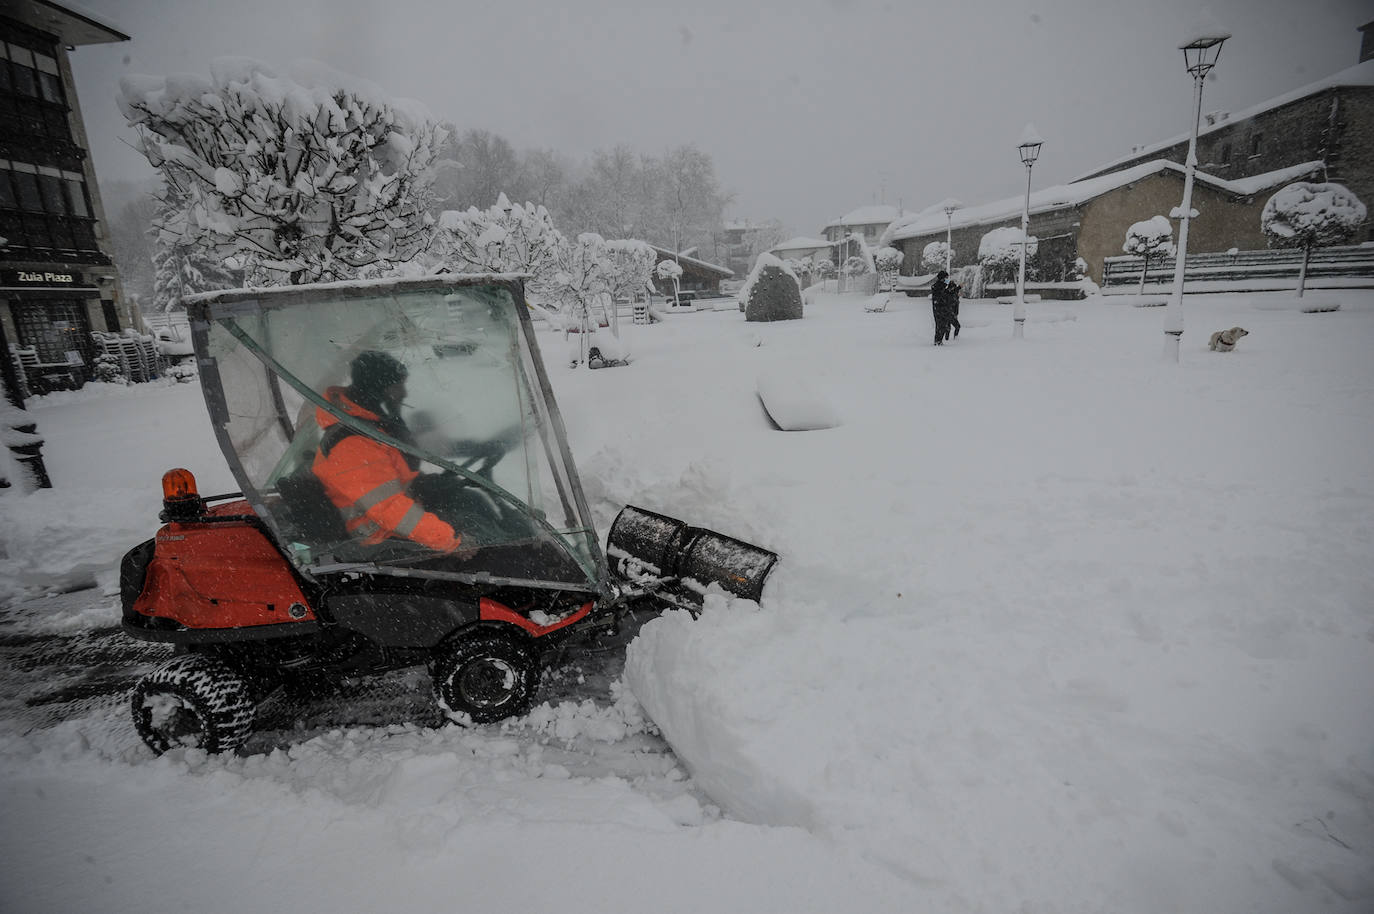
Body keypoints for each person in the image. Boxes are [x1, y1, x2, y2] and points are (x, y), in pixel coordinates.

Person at [311, 350, 469, 555]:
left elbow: (394, 472)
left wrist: (429, 484)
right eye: (398, 386)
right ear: (378, 389)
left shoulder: (369, 425)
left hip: (394, 519)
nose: (404, 393)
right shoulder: (353, 444)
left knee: (469, 502)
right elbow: (388, 509)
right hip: (378, 541)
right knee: (477, 535)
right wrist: (450, 541)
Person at [931, 271, 952, 345]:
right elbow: (942, 297)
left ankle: (938, 340)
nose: (947, 279)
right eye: (946, 277)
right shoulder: (938, 286)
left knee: (942, 325)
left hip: (941, 309)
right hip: (939, 309)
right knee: (941, 325)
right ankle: (938, 341)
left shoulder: (942, 286)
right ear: (942, 278)